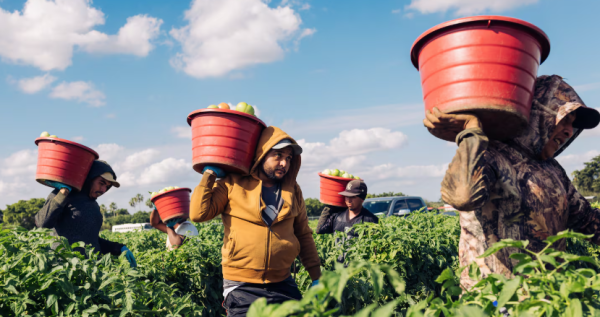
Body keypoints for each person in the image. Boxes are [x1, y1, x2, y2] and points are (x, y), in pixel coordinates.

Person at [423, 75, 600, 289]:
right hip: (493, 301)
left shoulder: (554, 171)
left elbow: (588, 221)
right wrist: (472, 135)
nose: (569, 131)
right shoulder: (491, 156)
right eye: (564, 119)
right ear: (538, 114)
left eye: (572, 125)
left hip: (546, 300)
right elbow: (462, 196)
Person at [190, 127, 321, 317]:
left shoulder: (293, 190)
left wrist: (316, 277)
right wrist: (209, 174)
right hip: (242, 285)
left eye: (289, 158)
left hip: (282, 282)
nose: (284, 163)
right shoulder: (232, 183)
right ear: (261, 154)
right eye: (278, 155)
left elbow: (303, 234)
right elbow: (198, 214)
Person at [35, 160, 137, 267]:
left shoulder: (93, 205)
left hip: (90, 270)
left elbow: (90, 240)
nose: (103, 190)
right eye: (101, 183)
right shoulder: (62, 194)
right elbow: (42, 223)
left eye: (107, 186)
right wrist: (63, 193)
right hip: (63, 268)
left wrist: (118, 248)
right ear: (89, 178)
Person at [316, 180, 379, 262]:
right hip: (339, 270)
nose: (348, 200)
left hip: (357, 271)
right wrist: (329, 207)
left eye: (353, 197)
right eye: (346, 196)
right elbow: (319, 229)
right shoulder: (338, 217)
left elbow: (375, 250)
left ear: (362, 199)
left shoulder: (371, 220)